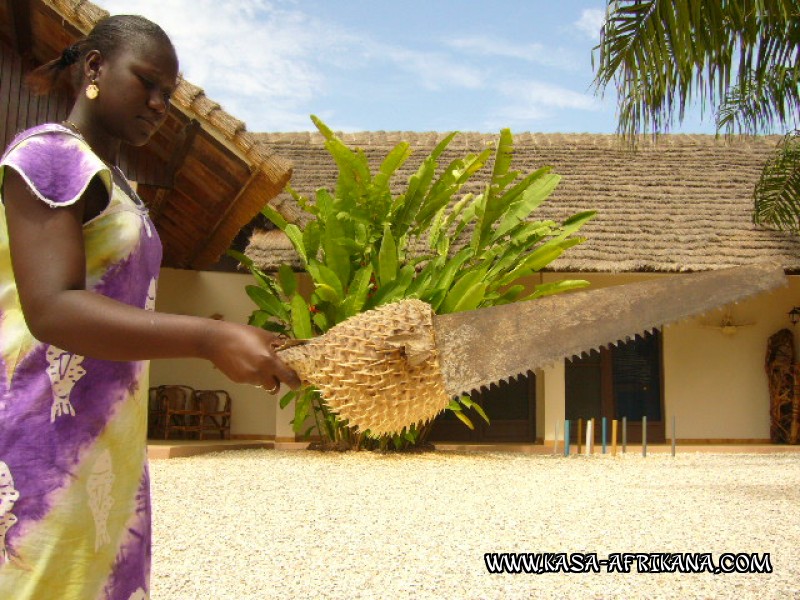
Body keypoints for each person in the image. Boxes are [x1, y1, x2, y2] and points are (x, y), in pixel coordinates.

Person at [0, 14, 299, 600]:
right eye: (147, 82)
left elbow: (126, 303)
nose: (161, 103)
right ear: (93, 68)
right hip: (45, 442)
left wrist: (220, 333)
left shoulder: (121, 184)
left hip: (108, 445)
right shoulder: (48, 156)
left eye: (170, 92)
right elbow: (52, 309)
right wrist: (205, 340)